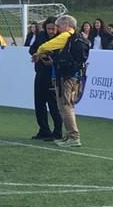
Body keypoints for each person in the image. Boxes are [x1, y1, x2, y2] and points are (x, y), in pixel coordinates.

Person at [34, 13, 89, 148]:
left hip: (67, 76)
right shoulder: (76, 37)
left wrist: (39, 52)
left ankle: (74, 137)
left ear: (66, 25)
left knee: (66, 106)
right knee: (64, 106)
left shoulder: (66, 36)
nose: (57, 29)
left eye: (59, 26)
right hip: (72, 74)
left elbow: (45, 46)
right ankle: (69, 135)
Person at [28, 16, 62, 141]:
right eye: (48, 28)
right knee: (39, 103)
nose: (51, 31)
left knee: (53, 104)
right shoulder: (41, 36)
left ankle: (57, 131)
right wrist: (38, 56)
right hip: (40, 73)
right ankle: (44, 129)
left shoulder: (61, 38)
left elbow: (61, 55)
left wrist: (52, 60)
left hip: (53, 75)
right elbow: (32, 49)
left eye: (53, 29)